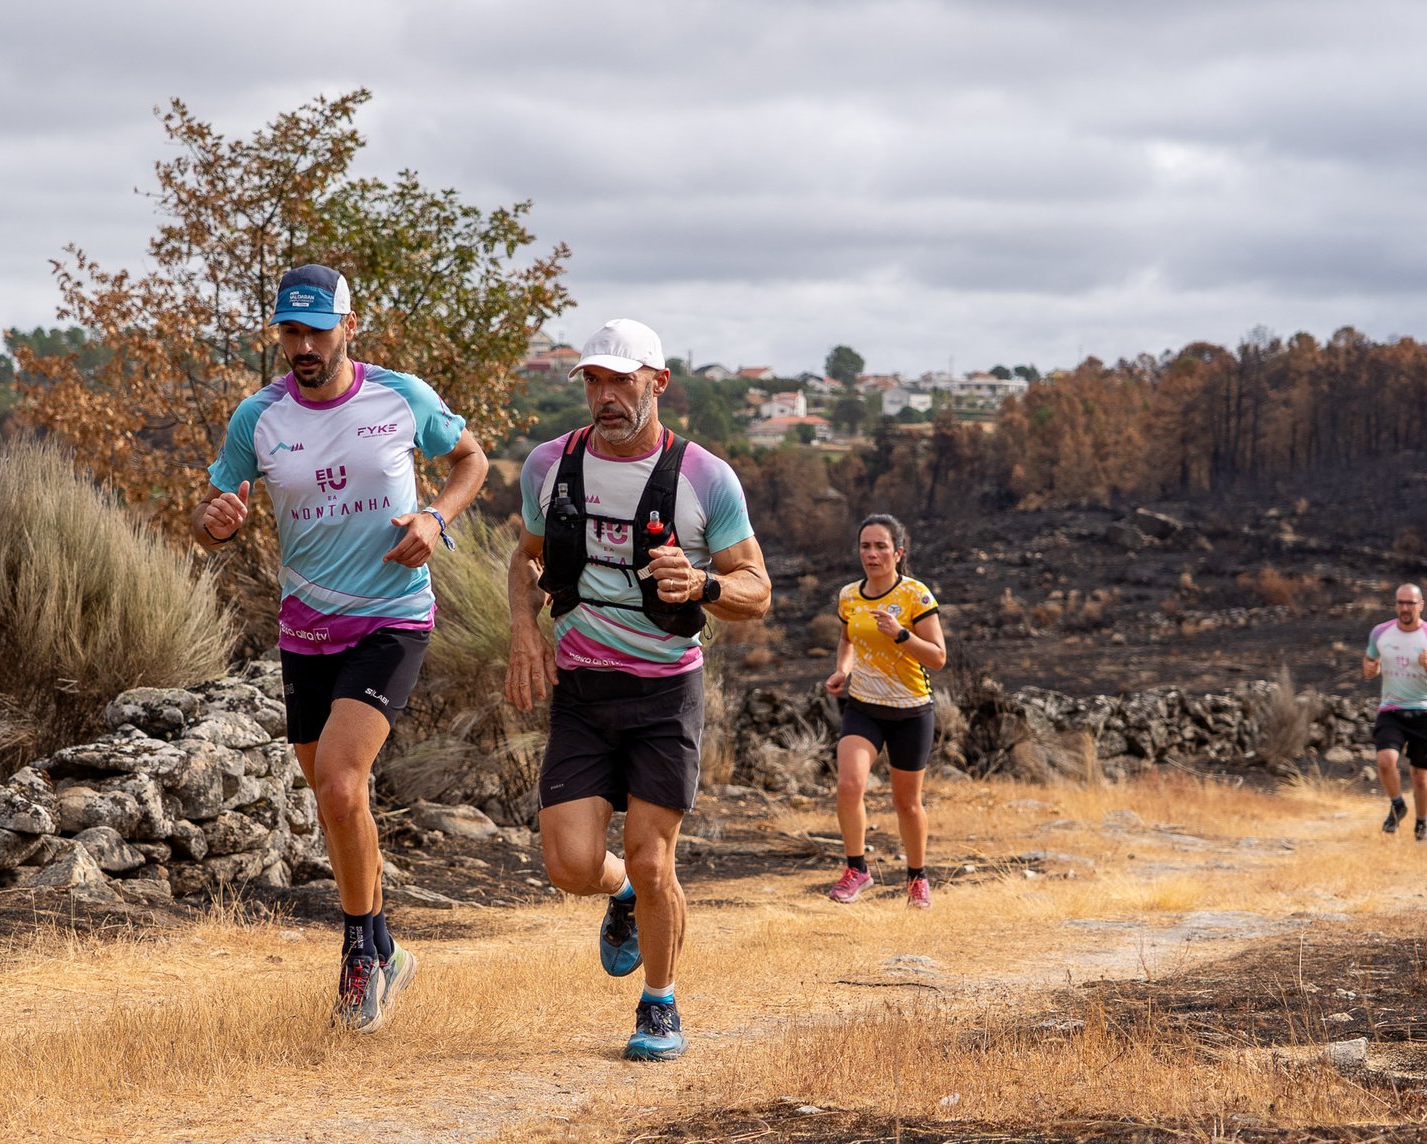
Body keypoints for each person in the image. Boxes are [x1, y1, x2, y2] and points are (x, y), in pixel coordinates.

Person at [193, 263, 488, 1032]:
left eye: (316, 330)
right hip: (306, 630)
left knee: (337, 784)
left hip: (391, 618)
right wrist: (216, 521)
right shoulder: (256, 417)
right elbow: (213, 507)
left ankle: (359, 955)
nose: (302, 346)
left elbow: (472, 461)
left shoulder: (402, 397)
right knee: (337, 805)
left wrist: (436, 518)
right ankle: (387, 946)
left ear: (349, 328)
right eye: (290, 331)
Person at [506, 318, 771, 1061]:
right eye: (593, 381)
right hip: (584, 689)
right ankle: (621, 894)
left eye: (621, 381)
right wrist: (524, 635)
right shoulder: (548, 466)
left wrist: (705, 582)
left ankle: (659, 1005)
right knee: (569, 866)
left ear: (657, 383)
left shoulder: (705, 477)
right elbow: (523, 560)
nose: (606, 397)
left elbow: (757, 588)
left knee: (658, 860)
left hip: (664, 692)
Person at [825, 514, 947, 907]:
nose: (872, 554)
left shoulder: (916, 595)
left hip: (911, 711)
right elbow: (846, 639)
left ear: (898, 552)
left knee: (907, 803)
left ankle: (916, 879)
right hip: (864, 707)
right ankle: (857, 869)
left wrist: (901, 634)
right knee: (849, 785)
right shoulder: (849, 596)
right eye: (865, 546)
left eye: (881, 546)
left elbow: (939, 657)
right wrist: (842, 670)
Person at [1363, 582, 1427, 842]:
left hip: (1425, 711)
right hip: (1391, 709)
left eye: (1410, 603)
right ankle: (1397, 804)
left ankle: (1421, 824)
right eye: (1401, 603)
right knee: (1385, 761)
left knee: (1419, 775)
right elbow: (1370, 660)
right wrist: (1371, 669)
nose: (1405, 608)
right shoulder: (1380, 633)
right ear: (1395, 605)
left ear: (1421, 605)